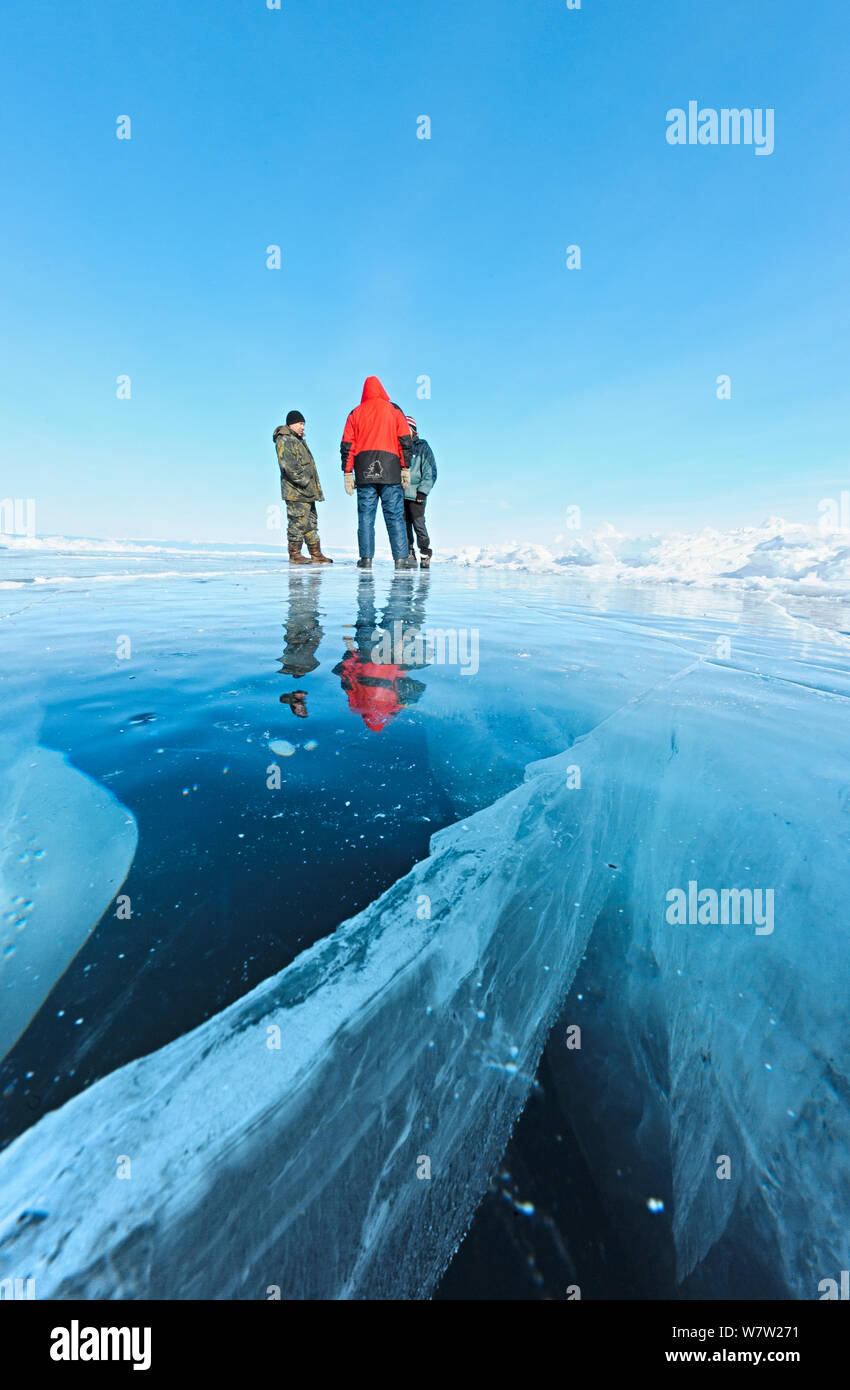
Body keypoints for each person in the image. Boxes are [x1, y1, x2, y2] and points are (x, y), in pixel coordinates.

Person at [340, 376, 416, 570]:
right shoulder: (394, 410)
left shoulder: (355, 413)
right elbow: (404, 441)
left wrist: (347, 472)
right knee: (394, 515)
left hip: (364, 472)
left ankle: (366, 559)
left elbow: (348, 445)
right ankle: (400, 558)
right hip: (390, 470)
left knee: (366, 516)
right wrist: (405, 467)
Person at [273, 410, 333, 564]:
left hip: (307, 492)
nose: (303, 427)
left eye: (304, 424)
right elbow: (288, 466)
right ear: (291, 424)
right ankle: (295, 554)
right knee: (297, 522)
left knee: (311, 523)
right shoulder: (284, 439)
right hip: (296, 491)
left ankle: (316, 554)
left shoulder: (298, 440)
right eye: (300, 424)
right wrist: (305, 481)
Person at [401, 415, 437, 568]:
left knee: (418, 524)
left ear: (413, 431)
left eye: (406, 429)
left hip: (416, 495)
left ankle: (424, 552)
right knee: (403, 525)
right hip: (400, 493)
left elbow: (430, 471)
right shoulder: (398, 447)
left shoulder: (422, 447)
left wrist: (423, 491)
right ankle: (409, 552)